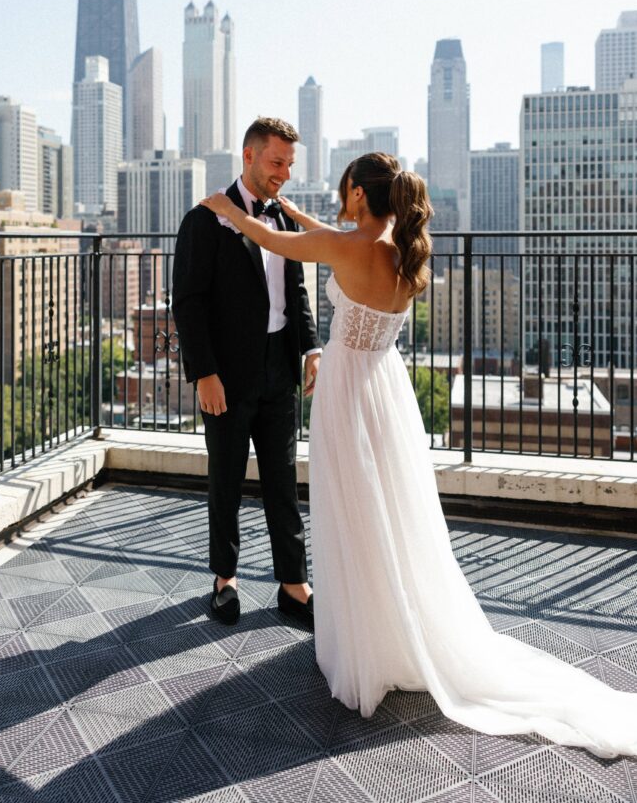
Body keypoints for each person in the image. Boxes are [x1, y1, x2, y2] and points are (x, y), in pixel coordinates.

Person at [201, 151, 637, 758]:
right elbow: (314, 232)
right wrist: (288, 208)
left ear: (357, 195)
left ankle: (365, 644)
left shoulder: (346, 247)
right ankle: (395, 633)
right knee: (392, 517)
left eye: (343, 187)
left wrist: (229, 210)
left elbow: (282, 242)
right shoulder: (405, 251)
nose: (336, 194)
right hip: (389, 389)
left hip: (350, 391)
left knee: (353, 514)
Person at [172, 118, 321, 628]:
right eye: (276, 162)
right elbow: (188, 304)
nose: (284, 173)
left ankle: (293, 584)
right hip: (228, 376)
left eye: (289, 164)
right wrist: (204, 373)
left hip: (280, 367)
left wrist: (311, 349)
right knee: (227, 481)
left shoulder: (283, 218)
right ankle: (224, 579)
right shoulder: (204, 219)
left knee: (283, 481)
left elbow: (295, 291)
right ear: (249, 156)